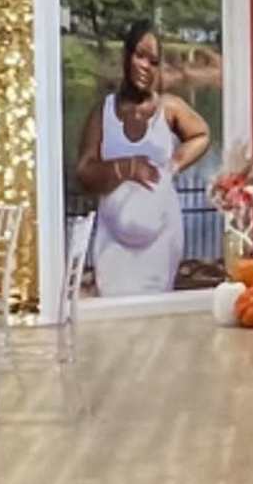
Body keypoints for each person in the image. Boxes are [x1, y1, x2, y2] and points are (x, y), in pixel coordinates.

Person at [76, 18, 210, 296]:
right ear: (126, 56)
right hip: (113, 244)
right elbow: (84, 172)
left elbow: (201, 135)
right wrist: (126, 168)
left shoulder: (169, 108)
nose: (146, 66)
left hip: (161, 240)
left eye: (154, 61)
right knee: (115, 310)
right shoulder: (103, 112)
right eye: (140, 56)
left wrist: (174, 164)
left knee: (155, 311)